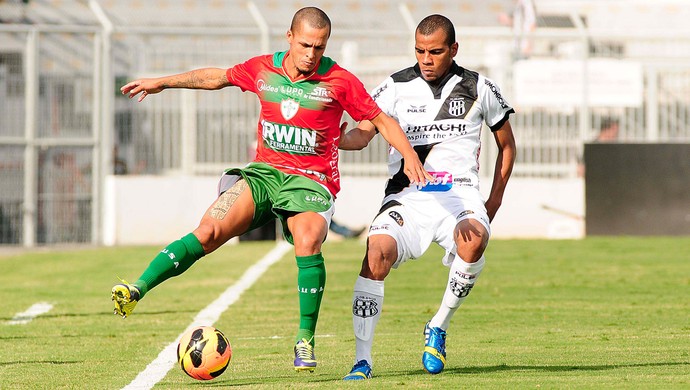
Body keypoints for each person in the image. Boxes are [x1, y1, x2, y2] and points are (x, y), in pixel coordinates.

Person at [111, 6, 429, 373]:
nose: (312, 55)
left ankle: (304, 340)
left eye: (320, 47)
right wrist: (162, 82)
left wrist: (408, 155)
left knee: (308, 240)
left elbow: (380, 120)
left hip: (312, 182)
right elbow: (216, 77)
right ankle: (136, 289)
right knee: (209, 231)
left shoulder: (340, 81)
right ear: (290, 38)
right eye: (306, 45)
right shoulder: (263, 68)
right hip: (264, 174)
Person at [339, 14, 516, 379]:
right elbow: (362, 134)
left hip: (459, 196)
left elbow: (507, 145)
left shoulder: (479, 87)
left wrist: (493, 202)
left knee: (475, 240)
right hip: (407, 197)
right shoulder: (395, 86)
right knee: (376, 252)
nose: (426, 59)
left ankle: (438, 325)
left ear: (453, 49)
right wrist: (339, 138)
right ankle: (363, 360)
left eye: (435, 51)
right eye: (419, 51)